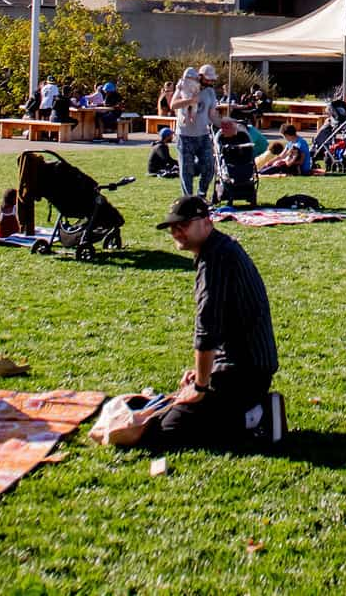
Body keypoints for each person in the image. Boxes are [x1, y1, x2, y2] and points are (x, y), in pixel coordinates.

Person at [144, 195, 283, 448]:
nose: (176, 232)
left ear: (207, 222)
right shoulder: (221, 248)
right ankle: (252, 410)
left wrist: (200, 385)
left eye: (183, 225)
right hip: (248, 366)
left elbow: (206, 329)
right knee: (171, 414)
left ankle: (255, 417)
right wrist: (203, 372)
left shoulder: (215, 260)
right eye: (173, 227)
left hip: (244, 373)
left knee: (168, 430)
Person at [171, 66, 218, 202]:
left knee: (209, 167)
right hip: (184, 135)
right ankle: (189, 200)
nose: (210, 82)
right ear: (201, 77)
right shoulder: (183, 86)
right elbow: (173, 105)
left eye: (212, 80)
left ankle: (201, 195)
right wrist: (191, 101)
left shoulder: (210, 92)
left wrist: (226, 123)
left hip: (203, 135)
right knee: (187, 171)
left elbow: (212, 115)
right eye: (208, 79)